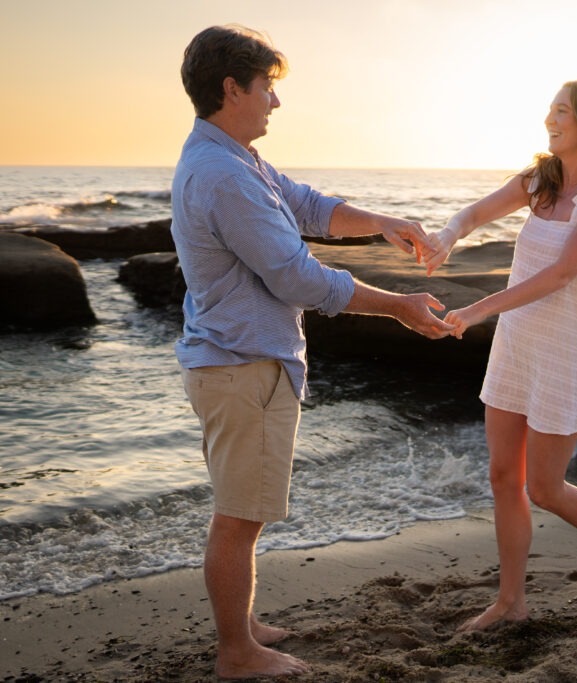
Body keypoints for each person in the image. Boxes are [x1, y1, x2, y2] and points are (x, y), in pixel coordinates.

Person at [172, 25, 454, 679]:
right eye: (268, 88)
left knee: (246, 509)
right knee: (239, 516)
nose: (276, 102)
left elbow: (306, 205)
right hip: (243, 364)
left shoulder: (234, 156)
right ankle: (237, 652)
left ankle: (241, 624)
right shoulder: (224, 174)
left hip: (235, 357)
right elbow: (298, 278)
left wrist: (383, 223)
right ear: (231, 88)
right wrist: (400, 307)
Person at [424, 80, 577, 631]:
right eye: (550, 111)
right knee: (504, 476)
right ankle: (510, 602)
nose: (550, 120)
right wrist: (446, 235)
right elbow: (475, 214)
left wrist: (479, 310)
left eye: (562, 113)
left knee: (545, 488)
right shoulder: (541, 179)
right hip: (517, 343)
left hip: (562, 348)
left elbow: (560, 274)